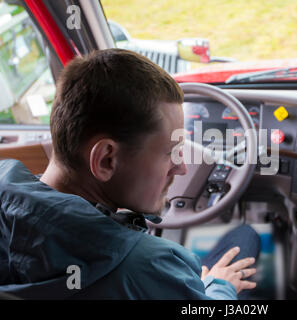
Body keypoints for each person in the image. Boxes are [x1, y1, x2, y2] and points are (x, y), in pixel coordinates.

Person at [0, 49, 260, 299]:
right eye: (170, 151)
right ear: (106, 160)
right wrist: (219, 285)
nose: (182, 167)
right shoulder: (146, 266)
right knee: (245, 238)